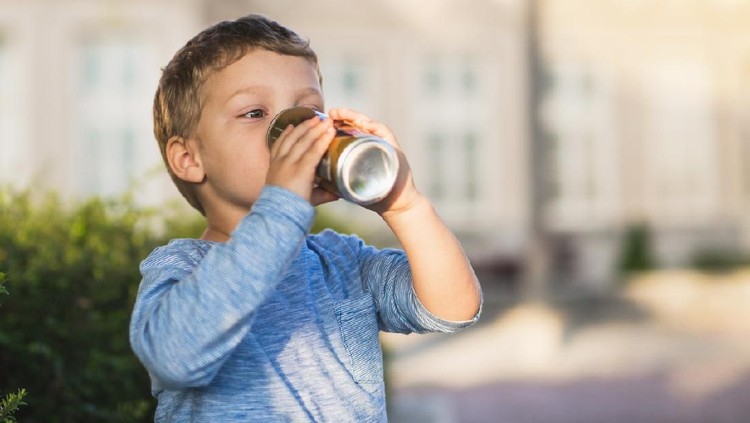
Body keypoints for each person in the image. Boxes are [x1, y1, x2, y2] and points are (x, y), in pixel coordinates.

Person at [129, 13, 482, 422]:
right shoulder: (181, 268)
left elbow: (453, 308)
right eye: (256, 113)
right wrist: (280, 206)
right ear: (189, 158)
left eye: (308, 112)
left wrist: (405, 205)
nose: (293, 132)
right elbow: (175, 357)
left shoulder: (341, 262)